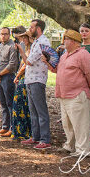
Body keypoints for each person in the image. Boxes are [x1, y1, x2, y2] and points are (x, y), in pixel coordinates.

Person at [52, 29, 90, 157]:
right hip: (63, 93)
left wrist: (89, 86)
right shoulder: (64, 55)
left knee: (80, 123)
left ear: (73, 41)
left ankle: (82, 149)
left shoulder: (83, 54)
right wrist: (47, 63)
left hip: (77, 93)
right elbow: (58, 70)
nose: (63, 42)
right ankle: (70, 145)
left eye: (65, 39)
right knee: (67, 123)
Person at [24, 18, 52, 150]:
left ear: (38, 28)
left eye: (31, 27)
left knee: (41, 110)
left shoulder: (43, 42)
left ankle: (45, 138)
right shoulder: (36, 41)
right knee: (33, 110)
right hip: (30, 79)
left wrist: (20, 50)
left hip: (37, 79)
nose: (29, 29)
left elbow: (29, 61)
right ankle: (35, 136)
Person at [0, 27, 19, 136]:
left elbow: (12, 64)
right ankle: (5, 126)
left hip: (8, 77)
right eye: (1, 34)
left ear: (9, 35)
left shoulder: (12, 46)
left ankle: (12, 128)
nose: (3, 36)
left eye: (5, 34)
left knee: (9, 103)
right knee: (2, 103)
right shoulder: (0, 46)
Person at [9, 28, 31, 141]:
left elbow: (26, 65)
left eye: (25, 37)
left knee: (22, 105)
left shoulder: (30, 49)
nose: (23, 39)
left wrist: (17, 76)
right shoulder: (25, 49)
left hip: (25, 78)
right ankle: (19, 131)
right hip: (22, 78)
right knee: (19, 104)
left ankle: (23, 131)